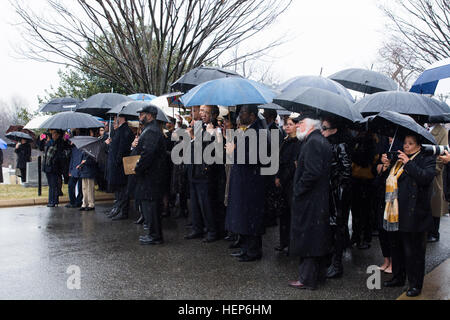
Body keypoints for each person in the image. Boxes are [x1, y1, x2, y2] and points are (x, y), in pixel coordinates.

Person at [380, 135, 436, 297]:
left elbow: (425, 178)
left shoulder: (426, 158)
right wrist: (386, 166)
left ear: (419, 146)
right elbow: (389, 181)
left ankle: (415, 284)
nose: (406, 146)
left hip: (415, 213)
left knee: (414, 252)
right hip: (396, 210)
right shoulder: (398, 159)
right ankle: (398, 276)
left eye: (411, 144)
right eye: (405, 143)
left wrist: (409, 163)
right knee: (396, 247)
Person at [288, 112, 332, 290]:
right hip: (317, 200)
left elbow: (312, 173)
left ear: (312, 124)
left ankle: (306, 279)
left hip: (310, 200)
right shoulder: (319, 140)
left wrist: (298, 190)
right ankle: (317, 276)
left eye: (301, 123)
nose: (298, 125)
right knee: (316, 239)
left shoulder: (313, 142)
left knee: (308, 240)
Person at [226, 105, 268, 262]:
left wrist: (233, 151)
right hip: (243, 180)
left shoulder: (258, 131)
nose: (239, 115)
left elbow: (254, 157)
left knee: (251, 216)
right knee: (243, 216)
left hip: (251, 181)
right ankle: (245, 248)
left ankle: (253, 250)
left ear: (252, 115)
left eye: (242, 113)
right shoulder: (246, 129)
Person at [185, 105, 222, 243]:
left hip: (205, 172)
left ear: (212, 114)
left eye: (206, 112)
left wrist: (195, 138)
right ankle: (197, 228)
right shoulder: (199, 126)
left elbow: (212, 151)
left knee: (206, 203)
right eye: (201, 111)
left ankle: (212, 231)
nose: (202, 114)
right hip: (194, 170)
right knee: (194, 203)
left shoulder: (216, 129)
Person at [320, 117, 352, 279]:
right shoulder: (329, 144)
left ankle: (337, 264)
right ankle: (331, 260)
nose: (322, 131)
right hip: (330, 191)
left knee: (338, 228)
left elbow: (346, 171)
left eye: (325, 128)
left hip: (338, 194)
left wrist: (336, 187)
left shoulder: (341, 145)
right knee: (331, 228)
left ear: (334, 130)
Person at [135, 104, 167, 245]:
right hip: (151, 175)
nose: (139, 117)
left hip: (152, 176)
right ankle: (153, 234)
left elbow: (148, 154)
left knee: (152, 206)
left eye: (142, 114)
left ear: (149, 115)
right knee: (149, 205)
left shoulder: (151, 131)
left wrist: (138, 167)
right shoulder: (149, 129)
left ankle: (155, 235)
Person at [274, 117, 301, 253]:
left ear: (296, 126)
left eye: (290, 124)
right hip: (283, 181)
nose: (287, 127)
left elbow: (292, 165)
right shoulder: (285, 141)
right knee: (283, 214)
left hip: (290, 183)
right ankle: (283, 241)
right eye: (286, 125)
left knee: (291, 214)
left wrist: (281, 179)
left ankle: (292, 244)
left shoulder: (298, 143)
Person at [350, 131, 378, 249]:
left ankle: (360, 236)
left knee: (361, 210)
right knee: (363, 210)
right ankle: (362, 236)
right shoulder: (372, 142)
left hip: (361, 179)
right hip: (365, 180)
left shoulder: (358, 142)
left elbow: (358, 159)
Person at [106, 114, 134, 219]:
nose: (114, 120)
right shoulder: (120, 130)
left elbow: (122, 149)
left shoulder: (125, 131)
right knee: (119, 190)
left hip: (121, 167)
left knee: (123, 190)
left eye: (115, 118)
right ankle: (118, 209)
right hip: (117, 166)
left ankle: (123, 211)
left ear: (120, 118)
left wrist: (117, 162)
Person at [427, 121, 448, 242]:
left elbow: (443, 151)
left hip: (434, 171)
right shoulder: (428, 129)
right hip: (427, 168)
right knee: (428, 202)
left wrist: (436, 169)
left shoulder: (442, 131)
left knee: (435, 204)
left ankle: (434, 232)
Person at [43, 130, 65, 207]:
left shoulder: (60, 143)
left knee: (53, 185)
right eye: (52, 133)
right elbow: (44, 151)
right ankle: (51, 200)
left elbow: (59, 156)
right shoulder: (50, 142)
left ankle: (53, 201)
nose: (53, 135)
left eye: (54, 133)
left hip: (54, 167)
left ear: (58, 135)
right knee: (51, 185)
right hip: (48, 166)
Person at [66, 138, 83, 208]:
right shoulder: (73, 149)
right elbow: (72, 160)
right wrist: (70, 171)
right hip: (74, 170)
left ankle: (78, 201)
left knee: (80, 187)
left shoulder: (83, 149)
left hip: (81, 170)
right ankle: (73, 201)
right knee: (71, 186)